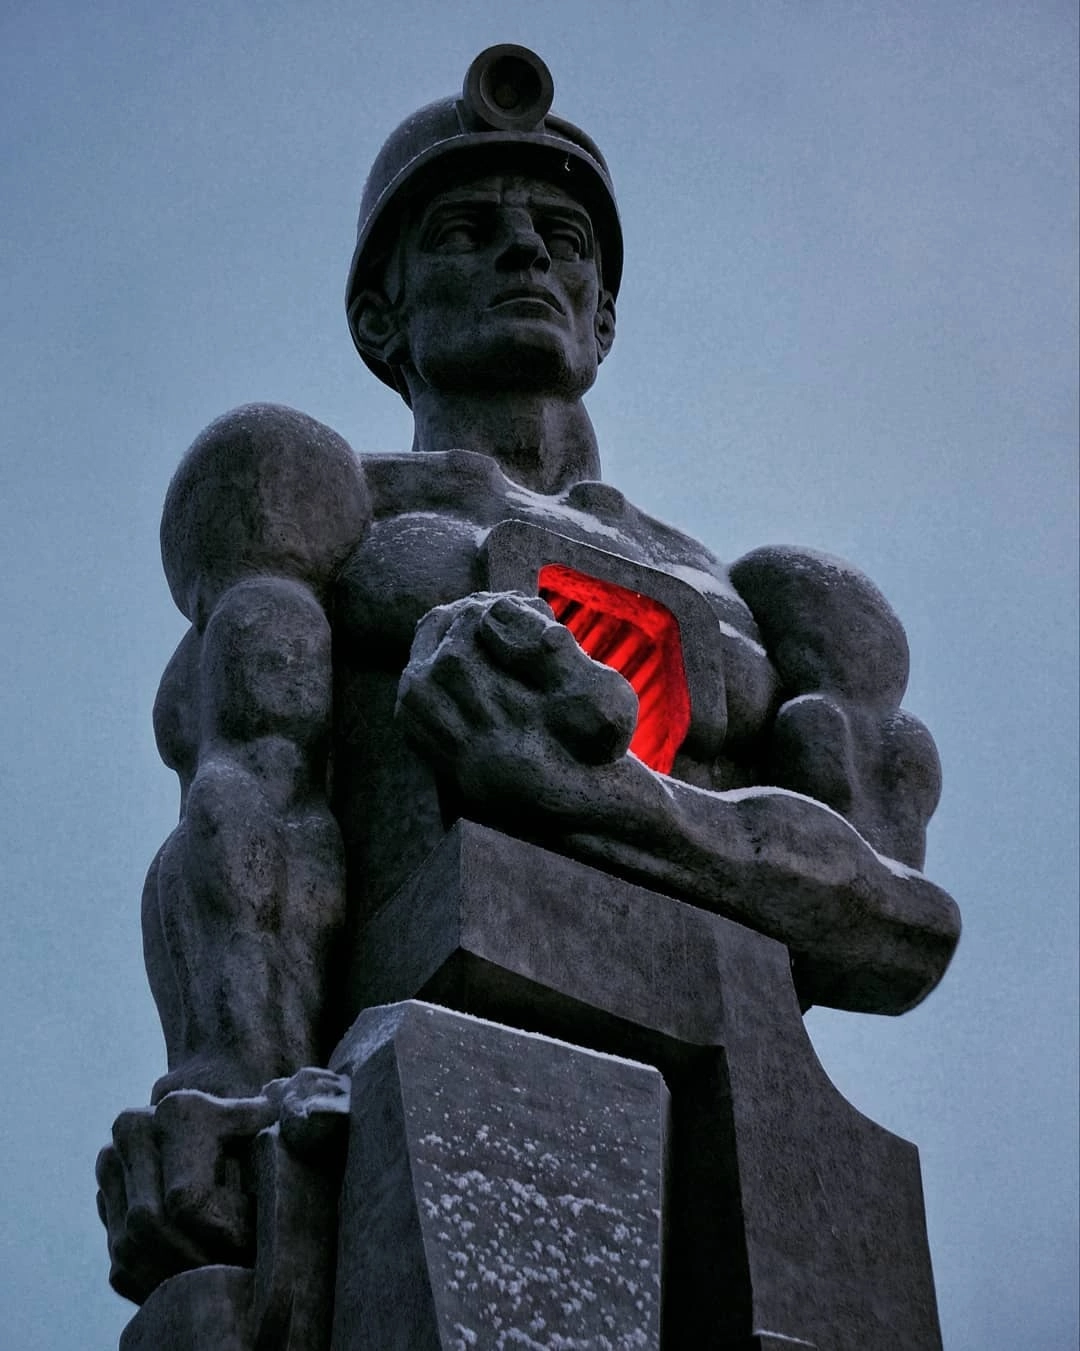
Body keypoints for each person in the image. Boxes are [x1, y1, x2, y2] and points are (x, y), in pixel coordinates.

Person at [101, 45, 959, 1300]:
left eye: (563, 236)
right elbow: (252, 789)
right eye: (465, 230)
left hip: (760, 1109)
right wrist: (230, 1085)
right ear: (381, 313)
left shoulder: (781, 607)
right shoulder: (319, 503)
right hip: (420, 1051)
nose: (526, 255)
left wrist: (597, 799)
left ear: (603, 314)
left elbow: (899, 932)